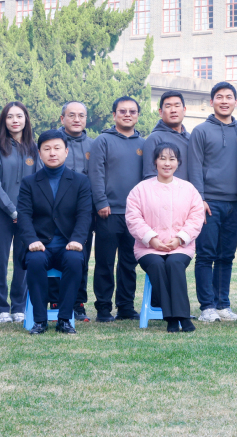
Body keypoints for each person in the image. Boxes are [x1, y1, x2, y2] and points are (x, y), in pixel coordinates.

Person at [18, 130, 92, 335]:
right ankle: (40, 320)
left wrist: (77, 240)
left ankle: (65, 319)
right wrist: (31, 240)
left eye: (57, 148)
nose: (52, 153)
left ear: (66, 151)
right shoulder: (29, 183)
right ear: (39, 153)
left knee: (75, 260)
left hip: (69, 244)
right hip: (40, 245)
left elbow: (84, 215)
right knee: (35, 261)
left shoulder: (80, 181)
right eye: (47, 149)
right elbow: (24, 216)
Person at [126, 143, 206, 333]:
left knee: (174, 264)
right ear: (155, 161)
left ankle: (180, 316)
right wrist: (151, 239)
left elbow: (196, 218)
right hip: (148, 248)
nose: (167, 163)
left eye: (172, 159)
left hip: (180, 246)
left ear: (178, 162)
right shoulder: (140, 189)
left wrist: (180, 239)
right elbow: (133, 218)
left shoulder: (188, 189)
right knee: (156, 265)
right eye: (162, 158)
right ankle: (174, 318)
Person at [187, 82, 237, 323]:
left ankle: (223, 304)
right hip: (209, 203)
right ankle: (207, 306)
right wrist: (199, 199)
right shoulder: (200, 131)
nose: (224, 101)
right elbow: (194, 167)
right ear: (211, 102)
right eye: (219, 97)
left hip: (234, 204)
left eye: (228, 97)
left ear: (235, 102)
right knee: (205, 255)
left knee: (226, 256)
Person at [88, 96, 145, 322]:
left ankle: (126, 306)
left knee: (129, 263)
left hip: (135, 214)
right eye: (122, 111)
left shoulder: (144, 144)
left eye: (132, 111)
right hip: (109, 212)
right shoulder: (102, 141)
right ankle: (103, 308)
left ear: (137, 115)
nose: (127, 115)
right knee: (105, 262)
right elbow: (96, 173)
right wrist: (101, 202)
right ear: (114, 115)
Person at [0, 101, 36, 324]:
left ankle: (19, 306)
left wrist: (25, 213)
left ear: (26, 119)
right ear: (4, 121)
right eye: (10, 116)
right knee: (0, 261)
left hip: (27, 215)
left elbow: (38, 182)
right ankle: (1, 309)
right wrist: (11, 210)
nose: (15, 120)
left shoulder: (34, 149)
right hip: (1, 213)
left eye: (19, 116)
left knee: (22, 261)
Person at [58, 100, 93, 321]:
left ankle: (78, 303)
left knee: (81, 258)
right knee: (55, 255)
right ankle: (56, 300)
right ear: (63, 118)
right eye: (71, 115)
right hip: (56, 213)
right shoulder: (54, 142)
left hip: (84, 213)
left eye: (81, 115)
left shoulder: (94, 145)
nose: (76, 119)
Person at [142, 91, 190, 179]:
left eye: (177, 106)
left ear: (184, 110)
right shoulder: (154, 139)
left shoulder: (190, 138)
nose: (173, 110)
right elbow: (150, 176)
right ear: (160, 112)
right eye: (168, 106)